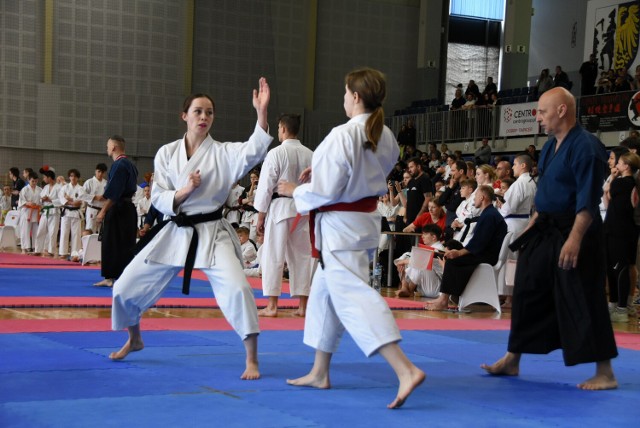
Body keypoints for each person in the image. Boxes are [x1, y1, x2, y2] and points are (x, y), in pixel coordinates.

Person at [277, 68, 425, 409]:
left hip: (340, 225)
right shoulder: (385, 135)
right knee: (324, 295)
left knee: (353, 296)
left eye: (346, 93)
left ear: (356, 96)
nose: (344, 99)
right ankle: (319, 371)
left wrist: (294, 190)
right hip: (361, 222)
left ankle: (405, 369)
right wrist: (320, 171)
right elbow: (360, 172)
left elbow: (327, 189)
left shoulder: (342, 134)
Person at [109, 79, 272, 382]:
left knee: (238, 288)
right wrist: (183, 192)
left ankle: (251, 358)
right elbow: (158, 196)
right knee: (124, 287)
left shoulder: (224, 153)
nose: (204, 117)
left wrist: (261, 114)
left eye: (209, 113)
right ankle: (135, 338)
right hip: (175, 231)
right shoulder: (167, 153)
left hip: (212, 233)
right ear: (184, 116)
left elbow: (254, 150)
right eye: (198, 111)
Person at [481, 87, 618, 390]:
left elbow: (588, 200)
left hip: (576, 230)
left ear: (561, 111)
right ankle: (513, 358)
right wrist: (531, 228)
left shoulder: (586, 147)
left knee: (583, 295)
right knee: (529, 288)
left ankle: (605, 372)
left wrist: (574, 239)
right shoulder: (549, 148)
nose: (538, 117)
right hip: (545, 228)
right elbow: (544, 197)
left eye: (542, 111)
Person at [254, 113, 313, 318]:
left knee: (274, 255)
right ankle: (303, 306)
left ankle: (272, 305)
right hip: (303, 208)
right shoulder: (311, 154)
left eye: (279, 128)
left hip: (280, 208)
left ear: (283, 129)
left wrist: (260, 215)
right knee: (302, 256)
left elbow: (266, 186)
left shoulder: (276, 153)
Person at [424, 185, 507, 311]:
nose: (474, 199)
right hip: (485, 252)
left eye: (476, 196)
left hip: (487, 256)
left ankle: (444, 300)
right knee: (452, 249)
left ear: (483, 197)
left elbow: (479, 243)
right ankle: (448, 296)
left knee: (452, 260)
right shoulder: (489, 213)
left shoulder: (489, 216)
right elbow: (478, 242)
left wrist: (459, 253)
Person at [93, 136, 139, 288]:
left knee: (111, 242)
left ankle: (110, 277)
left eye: (108, 146)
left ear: (113, 147)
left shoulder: (119, 165)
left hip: (118, 208)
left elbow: (114, 193)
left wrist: (102, 212)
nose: (106, 148)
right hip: (129, 209)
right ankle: (126, 277)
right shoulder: (131, 165)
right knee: (126, 244)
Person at [604, 152, 640, 322]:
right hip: (623, 229)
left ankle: (621, 308)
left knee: (619, 268)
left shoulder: (621, 183)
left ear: (626, 166)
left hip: (619, 230)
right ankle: (616, 305)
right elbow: (608, 202)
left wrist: (611, 178)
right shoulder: (631, 183)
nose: (616, 165)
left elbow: (608, 194)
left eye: (618, 162)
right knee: (617, 267)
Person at [58, 169, 85, 262]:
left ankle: (75, 254)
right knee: (64, 233)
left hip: (76, 213)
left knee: (76, 235)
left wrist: (69, 199)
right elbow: (62, 201)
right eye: (71, 176)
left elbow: (80, 202)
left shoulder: (81, 189)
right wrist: (73, 201)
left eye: (75, 176)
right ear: (69, 177)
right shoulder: (64, 188)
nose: (73, 178)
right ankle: (63, 253)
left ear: (78, 178)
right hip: (66, 213)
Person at [34, 167, 61, 257]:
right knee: (40, 230)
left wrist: (50, 199)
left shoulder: (59, 187)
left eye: (45, 177)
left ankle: (51, 251)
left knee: (52, 232)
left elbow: (62, 201)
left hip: (54, 212)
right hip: (45, 211)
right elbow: (41, 198)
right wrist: (43, 199)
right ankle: (38, 250)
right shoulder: (45, 187)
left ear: (49, 177)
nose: (44, 179)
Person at [17, 172, 42, 253]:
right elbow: (21, 201)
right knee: (25, 230)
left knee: (36, 230)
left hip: (36, 212)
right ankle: (25, 247)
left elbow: (42, 201)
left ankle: (35, 247)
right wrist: (28, 203)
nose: (34, 183)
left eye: (35, 181)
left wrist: (40, 205)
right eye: (32, 181)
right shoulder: (24, 189)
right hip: (27, 211)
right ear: (29, 180)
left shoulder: (40, 189)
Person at [81, 163, 108, 235]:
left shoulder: (106, 183)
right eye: (99, 171)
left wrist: (104, 198)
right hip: (92, 209)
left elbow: (110, 196)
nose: (100, 174)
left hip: (102, 210)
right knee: (90, 230)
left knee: (101, 231)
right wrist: (95, 197)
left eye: (102, 172)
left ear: (105, 173)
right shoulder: (89, 182)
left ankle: (99, 246)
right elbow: (82, 195)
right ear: (95, 171)